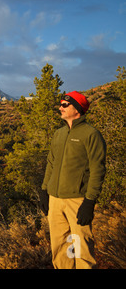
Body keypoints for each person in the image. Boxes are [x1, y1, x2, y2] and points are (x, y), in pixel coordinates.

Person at [40, 91, 106, 269]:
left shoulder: (91, 134)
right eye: (60, 104)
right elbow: (51, 163)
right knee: (60, 247)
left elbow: (97, 170)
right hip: (55, 200)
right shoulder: (58, 134)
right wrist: (44, 190)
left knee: (82, 248)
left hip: (77, 200)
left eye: (65, 105)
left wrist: (89, 202)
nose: (60, 107)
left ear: (77, 109)